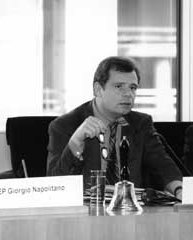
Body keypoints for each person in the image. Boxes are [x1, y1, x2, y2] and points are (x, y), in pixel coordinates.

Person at [46, 56, 182, 199]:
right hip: (87, 213)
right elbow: (55, 186)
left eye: (133, 87)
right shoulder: (65, 125)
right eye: (119, 86)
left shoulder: (141, 123)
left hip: (131, 212)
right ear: (98, 89)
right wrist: (74, 144)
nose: (128, 94)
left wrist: (179, 190)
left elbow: (162, 165)